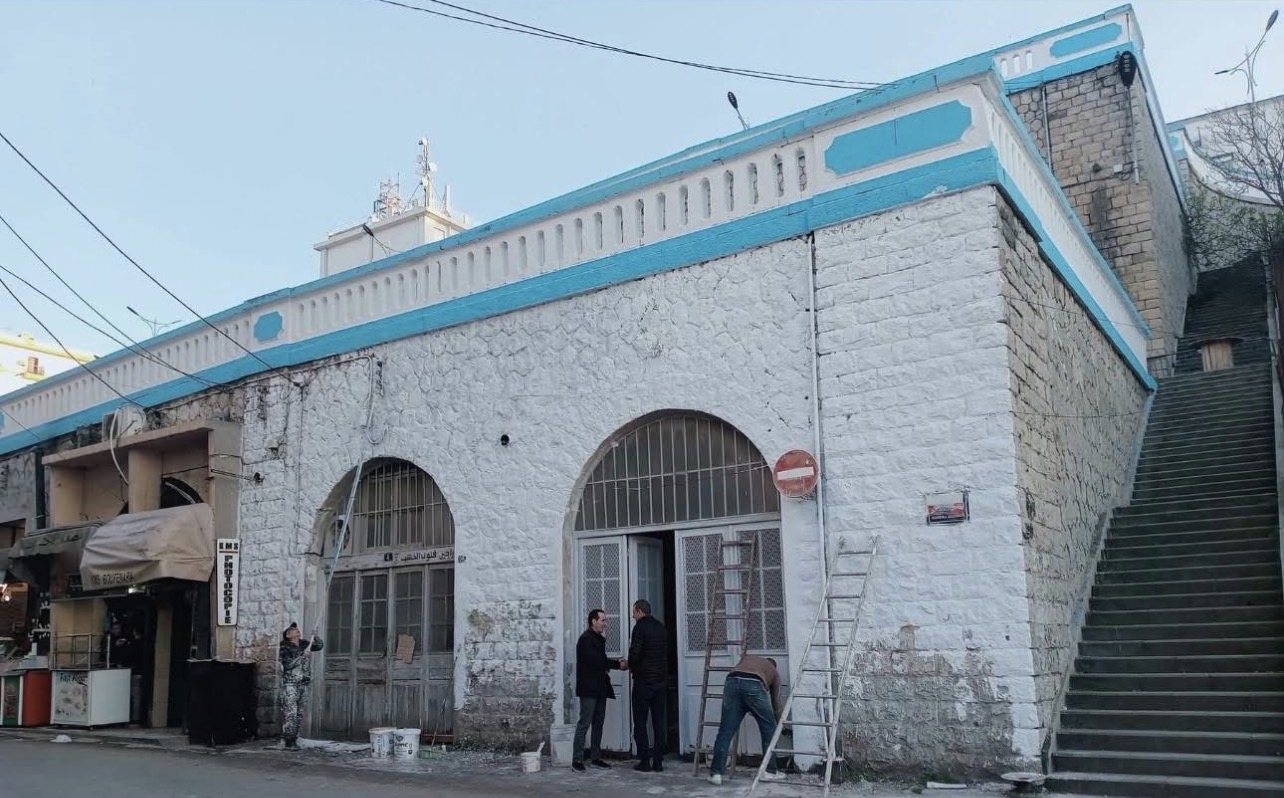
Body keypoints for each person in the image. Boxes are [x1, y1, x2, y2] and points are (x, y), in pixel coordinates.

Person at [707, 655, 786, 786]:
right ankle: (770, 771)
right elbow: (776, 705)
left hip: (731, 681)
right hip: (754, 684)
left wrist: (749, 707)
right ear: (774, 665)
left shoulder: (749, 658)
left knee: (725, 731)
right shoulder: (775, 673)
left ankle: (716, 774)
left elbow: (742, 688)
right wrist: (781, 724)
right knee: (769, 728)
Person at [572, 608, 626, 773]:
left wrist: (615, 664)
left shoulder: (596, 638)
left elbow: (599, 662)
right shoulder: (586, 639)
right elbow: (597, 661)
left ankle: (595, 758)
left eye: (605, 620)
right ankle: (577, 760)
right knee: (584, 724)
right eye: (603, 620)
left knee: (598, 724)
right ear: (593, 621)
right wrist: (618, 664)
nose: (605, 624)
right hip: (589, 689)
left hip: (599, 688)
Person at [625, 599, 668, 772]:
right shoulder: (661, 628)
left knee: (640, 722)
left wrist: (629, 664)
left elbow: (635, 653)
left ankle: (644, 760)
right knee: (659, 723)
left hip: (643, 682)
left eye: (634, 612)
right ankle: (658, 761)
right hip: (660, 682)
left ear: (640, 611)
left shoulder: (639, 628)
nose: (632, 615)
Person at [279, 622, 323, 750]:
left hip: (304, 682)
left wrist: (316, 636)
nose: (297, 631)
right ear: (288, 635)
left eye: (297, 629)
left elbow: (319, 646)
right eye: (293, 630)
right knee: (291, 713)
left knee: (299, 713)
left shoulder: (304, 644)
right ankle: (289, 740)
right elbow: (288, 665)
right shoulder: (285, 648)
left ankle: (295, 737)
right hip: (291, 683)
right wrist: (302, 656)